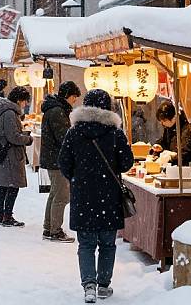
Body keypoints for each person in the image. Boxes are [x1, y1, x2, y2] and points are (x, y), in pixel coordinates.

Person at [59, 89, 133, 303]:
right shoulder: (115, 133)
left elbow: (64, 163)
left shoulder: (74, 132)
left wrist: (79, 177)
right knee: (108, 244)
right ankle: (103, 284)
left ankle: (89, 285)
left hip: (83, 196)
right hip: (109, 197)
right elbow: (127, 163)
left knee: (86, 244)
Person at [40, 81, 81, 243]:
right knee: (62, 196)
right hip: (57, 160)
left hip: (53, 158)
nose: (75, 101)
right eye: (74, 97)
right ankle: (55, 230)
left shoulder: (55, 109)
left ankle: (49, 227)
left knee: (55, 194)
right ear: (67, 96)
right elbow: (64, 137)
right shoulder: (57, 111)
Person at [0, 86, 33, 227]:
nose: (26, 104)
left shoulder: (4, 111)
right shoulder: (10, 113)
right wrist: (27, 139)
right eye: (25, 101)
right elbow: (13, 136)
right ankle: (7, 217)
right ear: (18, 100)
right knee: (11, 186)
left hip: (6, 153)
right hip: (10, 155)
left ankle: (2, 216)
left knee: (5, 186)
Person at [153, 101, 191, 165]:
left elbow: (186, 152)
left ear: (174, 117)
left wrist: (172, 156)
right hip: (172, 166)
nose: (162, 123)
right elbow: (164, 141)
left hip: (185, 167)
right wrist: (159, 145)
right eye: (161, 121)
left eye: (164, 120)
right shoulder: (168, 127)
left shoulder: (187, 127)